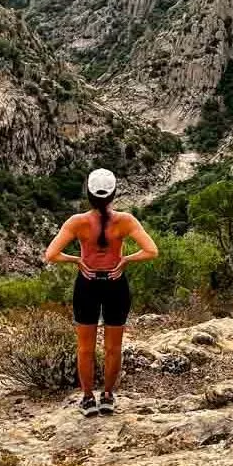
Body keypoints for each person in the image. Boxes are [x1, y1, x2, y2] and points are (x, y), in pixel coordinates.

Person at [44, 168, 158, 416]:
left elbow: (51, 255)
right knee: (113, 347)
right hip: (116, 285)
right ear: (114, 193)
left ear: (89, 194)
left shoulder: (77, 222)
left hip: (87, 285)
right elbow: (151, 251)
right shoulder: (126, 221)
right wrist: (125, 260)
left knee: (85, 348)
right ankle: (107, 396)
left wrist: (77, 261)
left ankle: (87, 399)